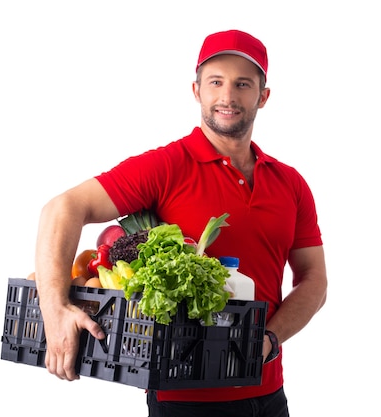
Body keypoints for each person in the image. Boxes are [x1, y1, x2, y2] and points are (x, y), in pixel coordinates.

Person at [34, 29, 327, 417]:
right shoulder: (167, 166)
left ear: (263, 96)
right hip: (184, 399)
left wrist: (269, 339)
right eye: (215, 82)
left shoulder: (290, 183)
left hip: (269, 395)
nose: (227, 96)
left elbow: (314, 281)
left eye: (243, 84)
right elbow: (63, 207)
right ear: (196, 91)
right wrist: (54, 310)